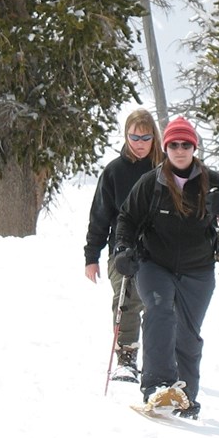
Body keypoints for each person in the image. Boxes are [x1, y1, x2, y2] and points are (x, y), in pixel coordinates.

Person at [112, 116, 219, 419]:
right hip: (154, 263)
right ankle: (157, 387)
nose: (180, 149)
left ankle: (185, 396)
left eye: (186, 144)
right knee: (159, 311)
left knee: (188, 332)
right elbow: (127, 219)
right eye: (173, 144)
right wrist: (123, 249)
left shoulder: (213, 183)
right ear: (166, 147)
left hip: (197, 270)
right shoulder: (152, 182)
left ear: (194, 147)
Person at [83, 109, 163, 383]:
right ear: (126, 136)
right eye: (134, 136)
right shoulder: (114, 172)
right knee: (126, 299)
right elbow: (100, 216)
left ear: (154, 137)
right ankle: (126, 358)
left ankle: (163, 360)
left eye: (145, 137)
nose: (139, 143)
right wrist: (91, 256)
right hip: (123, 248)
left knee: (161, 303)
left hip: (161, 249)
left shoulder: (167, 169)